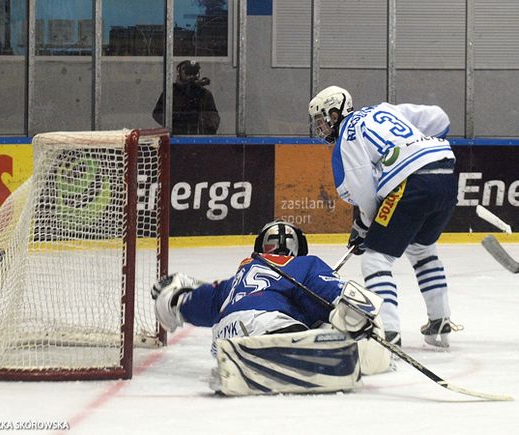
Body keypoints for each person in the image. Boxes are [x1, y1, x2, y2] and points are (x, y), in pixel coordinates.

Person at [151, 220, 391, 396]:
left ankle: (244, 360)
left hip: (225, 337)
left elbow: (188, 304)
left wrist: (174, 297)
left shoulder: (232, 282)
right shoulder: (305, 265)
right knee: (330, 327)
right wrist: (356, 316)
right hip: (271, 324)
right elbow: (331, 293)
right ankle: (278, 359)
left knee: (315, 319)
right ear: (299, 248)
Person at [308, 85, 463, 348]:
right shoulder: (384, 109)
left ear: (335, 114)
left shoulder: (348, 134)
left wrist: (366, 225)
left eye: (321, 120)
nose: (320, 127)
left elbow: (361, 187)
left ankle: (388, 332)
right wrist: (416, 145)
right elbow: (439, 118)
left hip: (412, 182)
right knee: (422, 249)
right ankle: (440, 320)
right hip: (446, 172)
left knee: (375, 259)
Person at [152, 60, 220, 135]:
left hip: (199, 137)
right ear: (179, 74)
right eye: (188, 73)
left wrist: (204, 120)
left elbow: (214, 118)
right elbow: (157, 113)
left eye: (194, 73)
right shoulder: (171, 93)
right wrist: (177, 119)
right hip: (176, 137)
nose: (191, 76)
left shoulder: (204, 94)